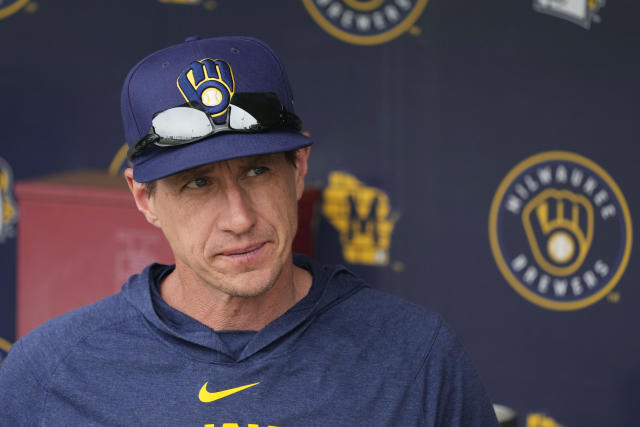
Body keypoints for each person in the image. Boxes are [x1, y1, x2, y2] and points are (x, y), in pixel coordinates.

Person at [0, 36, 499, 426]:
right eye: (198, 183)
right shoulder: (48, 372)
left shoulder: (417, 357)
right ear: (144, 198)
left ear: (299, 168)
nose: (240, 219)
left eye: (258, 171)